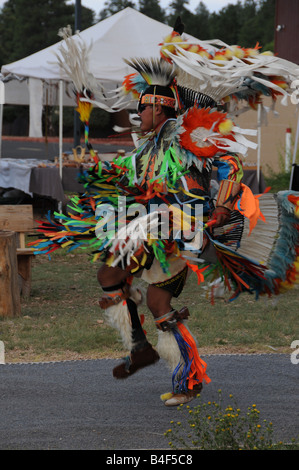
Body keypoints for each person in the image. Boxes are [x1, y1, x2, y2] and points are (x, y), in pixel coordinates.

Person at [30, 21, 299, 408]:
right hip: (155, 227)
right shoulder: (147, 146)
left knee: (130, 285)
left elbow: (229, 162)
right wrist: (103, 174)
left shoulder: (189, 135)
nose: (137, 112)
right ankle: (159, 359)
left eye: (143, 105)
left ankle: (164, 361)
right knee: (137, 291)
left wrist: (223, 206)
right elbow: (133, 179)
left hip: (179, 228)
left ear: (161, 106)